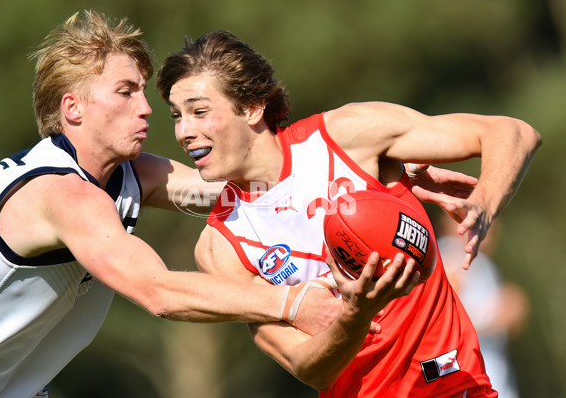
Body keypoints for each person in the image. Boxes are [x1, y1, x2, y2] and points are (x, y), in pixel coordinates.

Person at [0, 12, 359, 398]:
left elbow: (253, 191)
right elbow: (159, 292)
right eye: (125, 91)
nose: (146, 106)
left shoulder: (130, 175)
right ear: (73, 108)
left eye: (142, 90)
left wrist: (369, 173)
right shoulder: (60, 193)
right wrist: (290, 303)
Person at [156, 30, 541, 397]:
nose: (184, 131)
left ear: (253, 106)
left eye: (199, 111)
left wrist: (484, 202)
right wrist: (355, 314)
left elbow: (512, 133)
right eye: (177, 116)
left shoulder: (349, 137)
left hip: (453, 386)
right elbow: (309, 368)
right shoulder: (220, 246)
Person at [437, 216, 529, 398]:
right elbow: (445, 320)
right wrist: (497, 315)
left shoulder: (482, 263)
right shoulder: (451, 255)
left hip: (492, 379)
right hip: (468, 384)